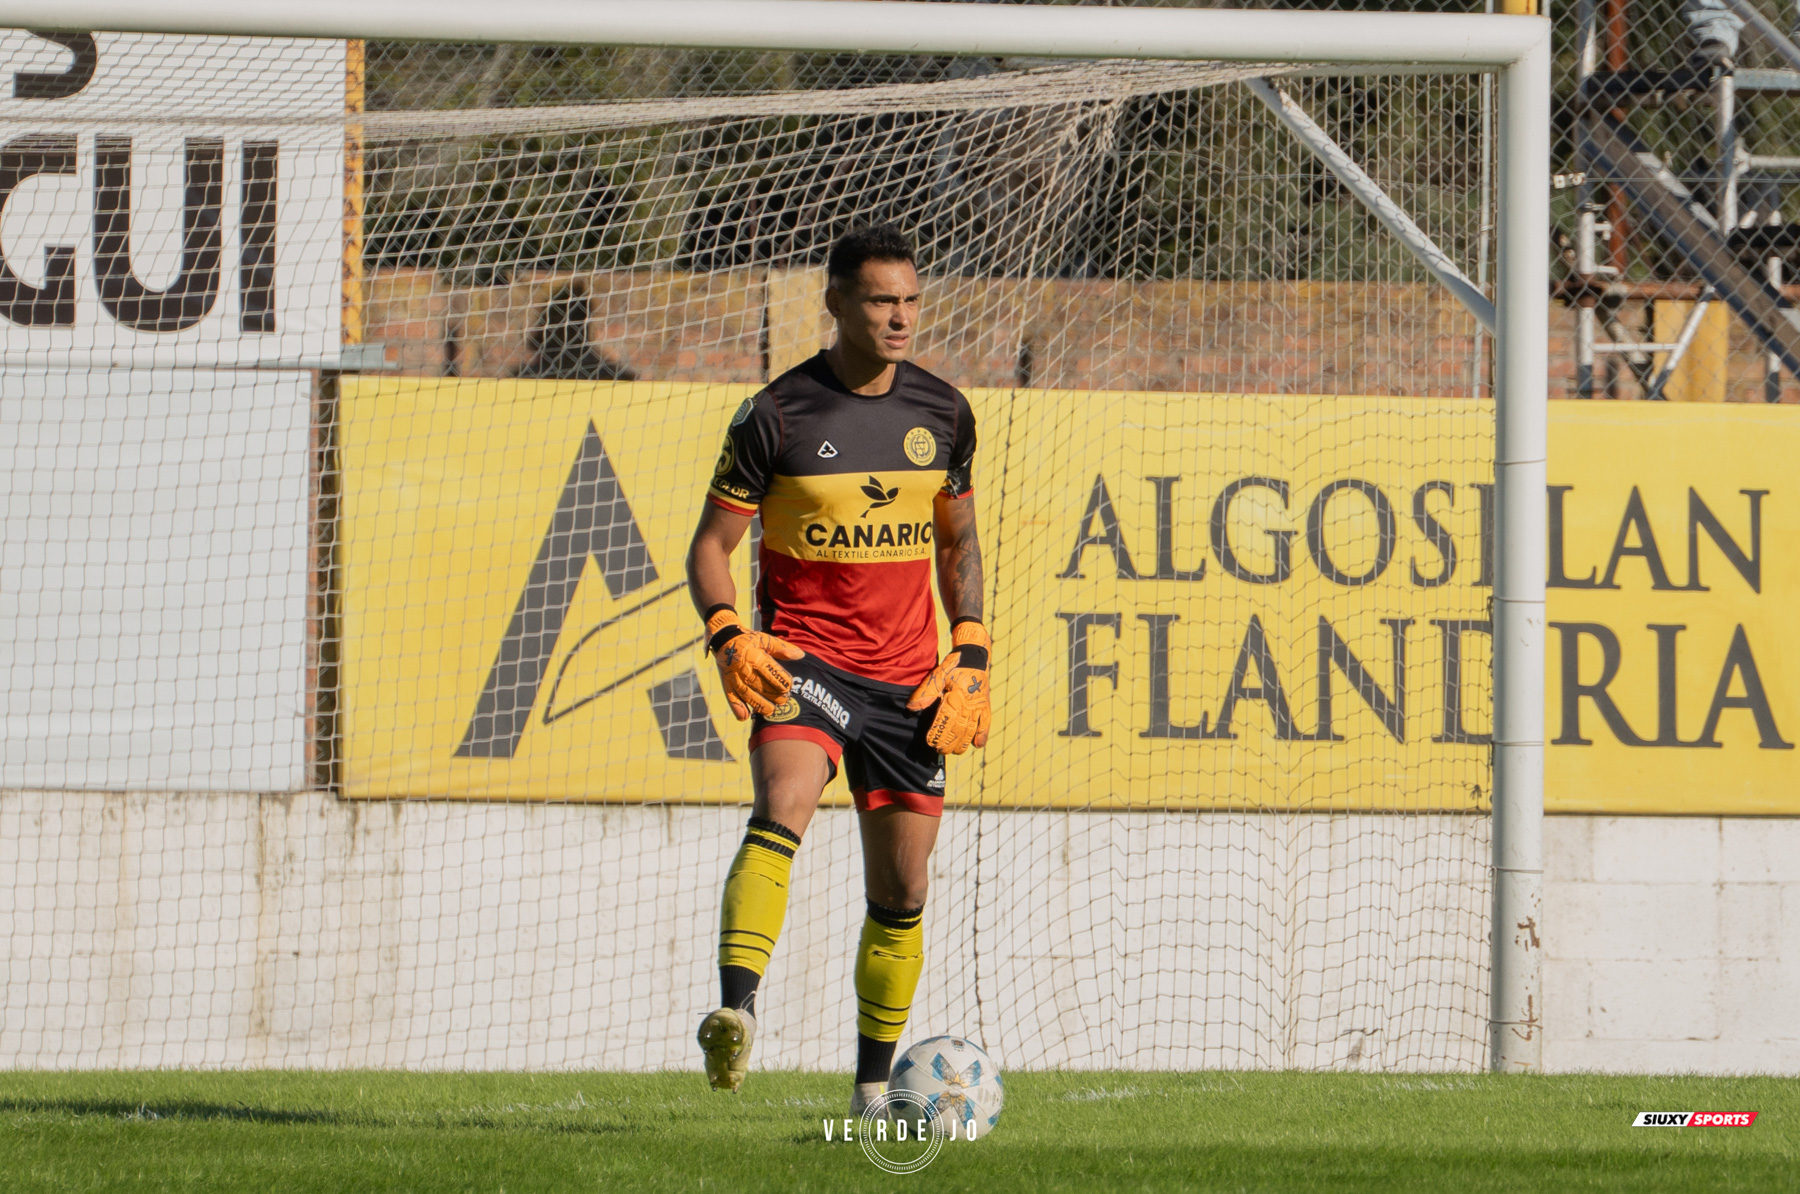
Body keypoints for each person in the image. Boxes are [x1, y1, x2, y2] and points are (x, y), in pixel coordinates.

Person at [684, 224, 990, 1115]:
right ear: (837, 304)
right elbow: (711, 545)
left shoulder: (945, 412)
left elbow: (957, 538)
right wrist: (730, 633)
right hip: (806, 661)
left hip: (908, 682)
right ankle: (735, 1015)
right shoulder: (776, 415)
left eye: (910, 301)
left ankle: (871, 1089)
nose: (900, 318)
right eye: (880, 301)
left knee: (903, 887)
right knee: (782, 804)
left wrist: (969, 642)